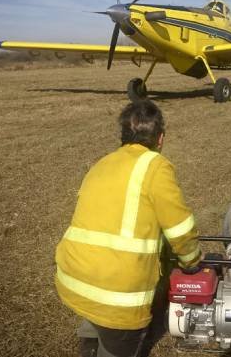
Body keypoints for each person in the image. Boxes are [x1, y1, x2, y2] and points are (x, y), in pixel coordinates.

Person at [55, 100, 202, 357]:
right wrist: (192, 262)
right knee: (118, 344)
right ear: (160, 139)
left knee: (95, 318)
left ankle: (90, 341)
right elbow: (180, 229)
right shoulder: (156, 167)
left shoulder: (102, 163)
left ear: (123, 137)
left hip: (72, 277)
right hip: (117, 292)